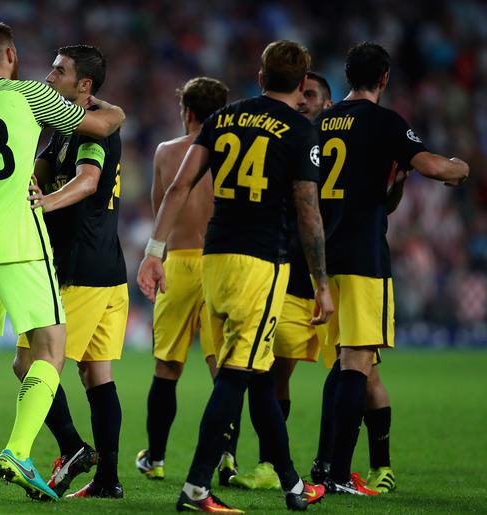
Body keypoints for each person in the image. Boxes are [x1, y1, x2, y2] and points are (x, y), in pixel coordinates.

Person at [137, 40, 332, 513]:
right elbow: (308, 215)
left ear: (260, 76)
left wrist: (152, 251)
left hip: (214, 259)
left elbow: (181, 185)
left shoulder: (225, 117)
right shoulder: (300, 131)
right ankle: (197, 487)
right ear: (303, 83)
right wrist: (322, 285)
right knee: (235, 374)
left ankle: (291, 484)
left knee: (258, 374)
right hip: (259, 263)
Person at [0, 23, 124, 502]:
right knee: (49, 351)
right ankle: (18, 450)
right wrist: (116, 108)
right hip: (19, 238)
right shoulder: (27, 94)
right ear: (12, 56)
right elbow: (101, 126)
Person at [312, 42, 468, 496]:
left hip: (325, 255)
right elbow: (437, 168)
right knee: (356, 364)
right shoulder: (386, 121)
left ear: (346, 76)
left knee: (345, 362)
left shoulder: (323, 121)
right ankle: (339, 474)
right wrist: (462, 167)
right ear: (384, 78)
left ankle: (329, 468)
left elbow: (376, 195)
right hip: (363, 256)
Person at [15, 45, 127, 499]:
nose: (50, 75)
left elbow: (88, 180)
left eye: (59, 71)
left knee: (28, 363)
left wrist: (46, 202)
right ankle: (108, 480)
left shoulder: (88, 134)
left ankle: (73, 448)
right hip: (107, 266)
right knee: (97, 374)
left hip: (79, 268)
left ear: (84, 85)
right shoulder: (63, 130)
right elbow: (35, 172)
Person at [229, 71, 333, 491]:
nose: (303, 100)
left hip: (330, 275)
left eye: (311, 95)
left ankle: (336, 467)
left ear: (327, 104)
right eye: (300, 93)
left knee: (353, 373)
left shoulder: (325, 148)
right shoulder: (285, 139)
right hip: (285, 274)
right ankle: (273, 466)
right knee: (270, 372)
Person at [133, 77, 239, 485]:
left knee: (167, 366)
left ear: (188, 111)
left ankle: (156, 457)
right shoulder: (231, 153)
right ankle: (226, 456)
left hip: (176, 261)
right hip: (218, 262)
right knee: (224, 369)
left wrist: (152, 254)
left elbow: (162, 206)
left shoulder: (167, 152)